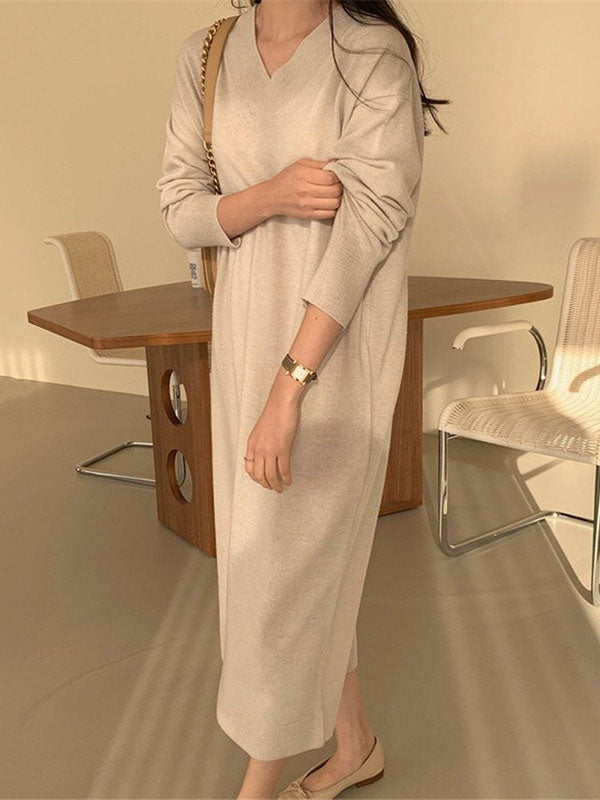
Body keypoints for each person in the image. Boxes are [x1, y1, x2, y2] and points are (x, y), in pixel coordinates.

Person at [156, 0, 447, 796]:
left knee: (284, 572)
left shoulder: (370, 52)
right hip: (243, 341)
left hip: (333, 355)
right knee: (292, 560)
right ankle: (356, 746)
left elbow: (373, 221)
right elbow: (180, 206)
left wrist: (290, 387)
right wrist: (271, 196)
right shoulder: (207, 54)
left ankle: (255, 788)